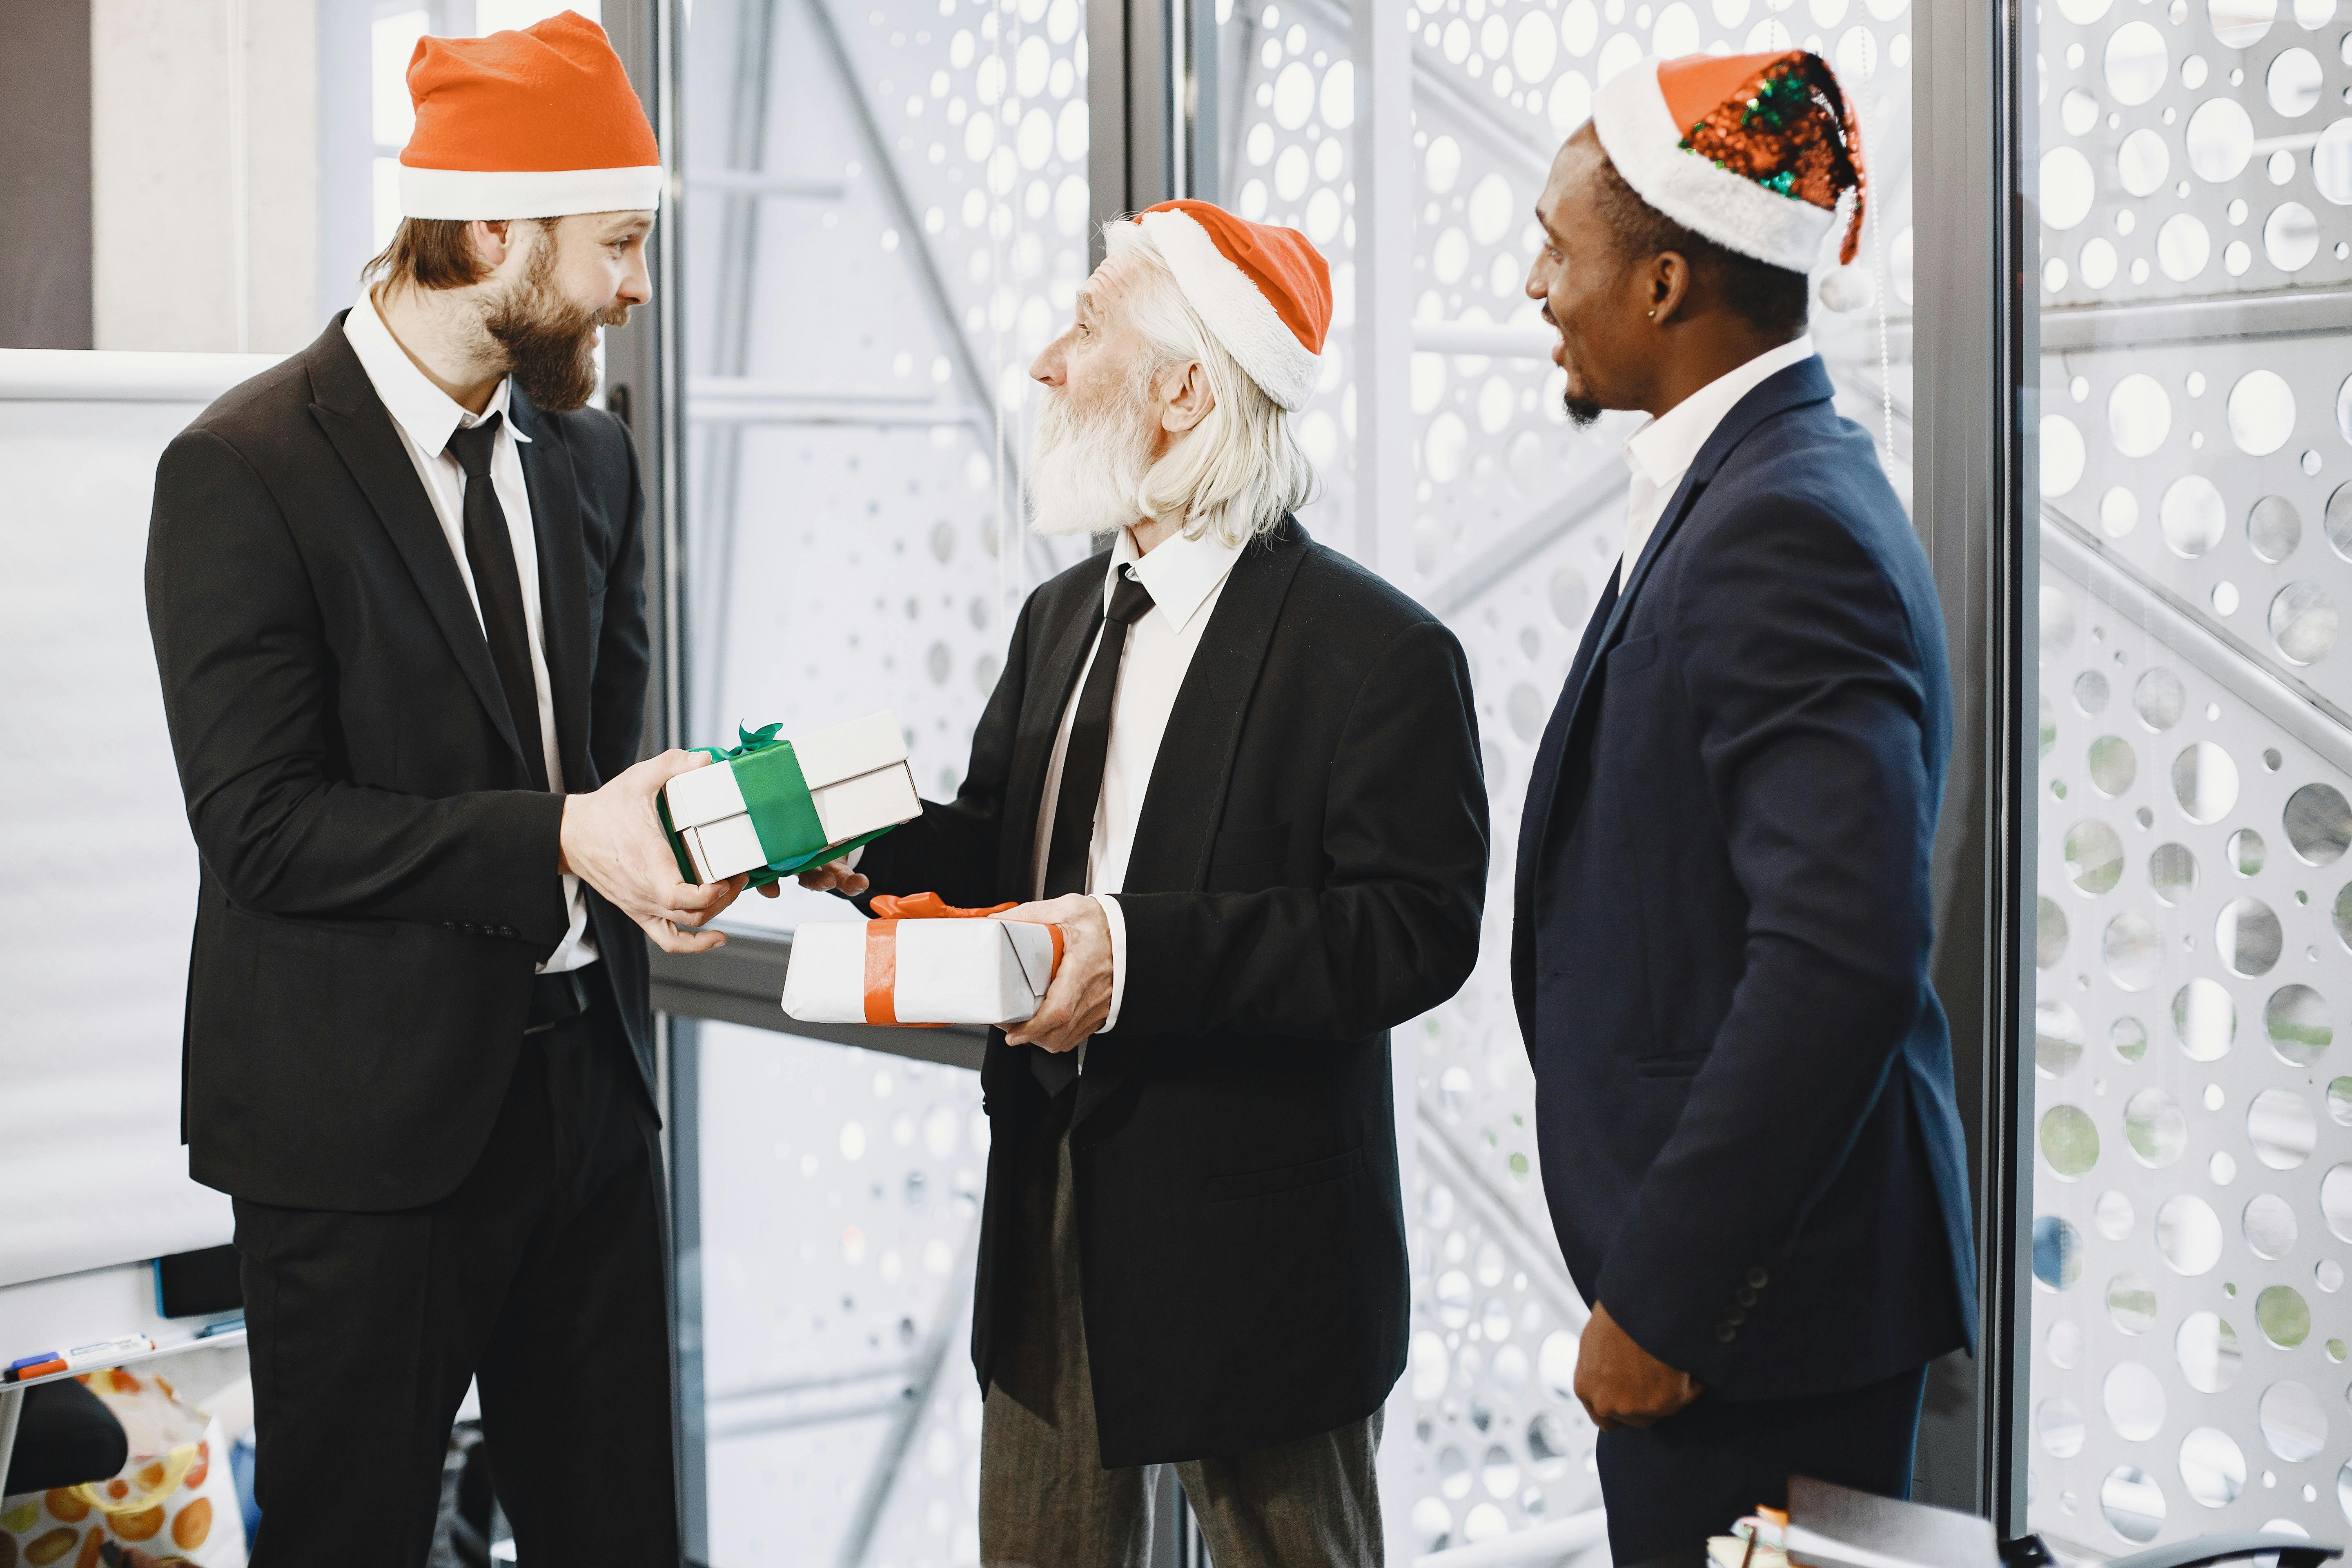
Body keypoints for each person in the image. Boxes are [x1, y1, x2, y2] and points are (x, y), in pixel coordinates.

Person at [792, 200, 1489, 1566]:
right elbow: (1008, 850)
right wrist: (856, 847)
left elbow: (1414, 934)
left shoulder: (1377, 652)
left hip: (1261, 1246)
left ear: (1183, 387)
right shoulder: (1060, 614)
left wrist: (1136, 958)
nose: (1048, 364)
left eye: (1086, 324)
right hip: (1048, 1202)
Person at [143, 15, 742, 1564]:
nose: (637, 286)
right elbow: (264, 829)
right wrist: (561, 836)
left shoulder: (591, 460)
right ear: (490, 231)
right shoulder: (243, 469)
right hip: (357, 1148)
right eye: (616, 244)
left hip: (586, 1114)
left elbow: (600, 770)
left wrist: (677, 845)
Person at [1510, 51, 1976, 1561]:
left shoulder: (1780, 524)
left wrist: (1666, 1298)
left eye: (1556, 247)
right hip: (1759, 1305)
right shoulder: (1762, 483)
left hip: (1759, 1324)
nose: (1535, 285)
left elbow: (1842, 957)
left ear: (1660, 284)